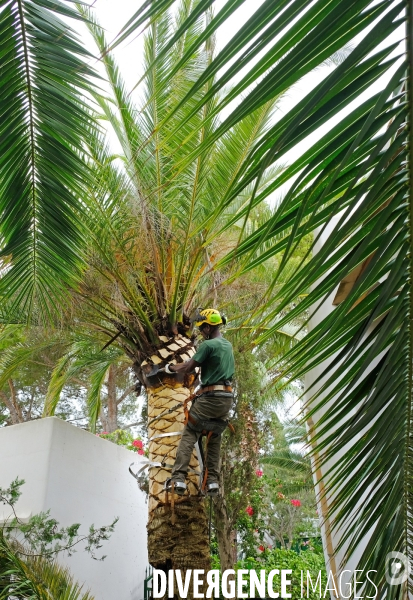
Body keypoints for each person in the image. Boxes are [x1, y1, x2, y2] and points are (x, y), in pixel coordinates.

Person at [164, 308, 235, 497]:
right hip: (226, 401)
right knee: (214, 437)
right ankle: (212, 483)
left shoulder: (208, 345)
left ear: (209, 327)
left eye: (202, 327)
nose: (201, 331)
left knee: (190, 433)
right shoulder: (227, 345)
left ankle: (178, 477)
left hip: (210, 399)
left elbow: (188, 367)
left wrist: (170, 368)